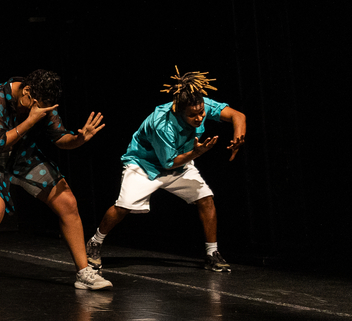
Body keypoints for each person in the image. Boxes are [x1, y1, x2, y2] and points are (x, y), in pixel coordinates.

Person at [0, 71, 112, 294]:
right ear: (27, 92)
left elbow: (60, 138)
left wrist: (78, 139)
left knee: (67, 202)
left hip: (24, 158)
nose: (42, 111)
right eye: (37, 106)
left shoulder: (43, 102)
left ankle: (84, 272)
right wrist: (30, 120)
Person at [86, 68, 246, 272]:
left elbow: (237, 116)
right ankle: (95, 242)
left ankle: (211, 253)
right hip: (145, 166)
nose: (199, 118)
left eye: (202, 113)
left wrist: (238, 137)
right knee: (124, 206)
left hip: (180, 160)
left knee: (206, 198)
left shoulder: (199, 103)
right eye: (193, 115)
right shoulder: (161, 123)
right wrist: (197, 153)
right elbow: (169, 163)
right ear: (179, 110)